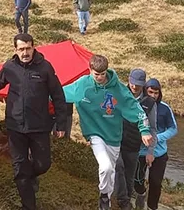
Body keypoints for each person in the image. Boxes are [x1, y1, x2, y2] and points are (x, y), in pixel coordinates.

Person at [0, 33, 68, 210]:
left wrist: (61, 123)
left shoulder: (45, 68)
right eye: (21, 49)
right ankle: (28, 205)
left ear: (34, 47)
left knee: (43, 164)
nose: (25, 52)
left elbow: (58, 95)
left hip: (39, 126)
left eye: (28, 48)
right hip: (15, 126)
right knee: (19, 168)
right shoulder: (9, 67)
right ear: (15, 49)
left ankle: (30, 176)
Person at [63, 55, 154, 210]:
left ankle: (105, 199)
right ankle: (104, 196)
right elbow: (58, 93)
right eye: (96, 74)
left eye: (103, 74)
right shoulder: (82, 84)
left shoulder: (118, 89)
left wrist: (144, 130)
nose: (99, 77)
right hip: (94, 134)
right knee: (105, 167)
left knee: (110, 171)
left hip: (113, 137)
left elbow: (135, 108)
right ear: (90, 70)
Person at [116, 69, 158, 210]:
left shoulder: (150, 103)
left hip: (133, 145)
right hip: (115, 141)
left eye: (138, 84)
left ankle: (126, 202)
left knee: (129, 177)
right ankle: (120, 199)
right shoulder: (119, 94)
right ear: (128, 79)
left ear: (144, 84)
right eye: (132, 83)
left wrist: (150, 151)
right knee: (118, 167)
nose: (134, 86)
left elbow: (153, 128)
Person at [134, 78, 177, 210]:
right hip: (140, 152)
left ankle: (152, 207)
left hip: (159, 153)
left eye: (156, 93)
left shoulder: (165, 108)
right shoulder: (138, 105)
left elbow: (173, 129)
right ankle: (141, 196)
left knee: (156, 183)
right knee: (137, 181)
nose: (153, 96)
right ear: (145, 91)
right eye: (150, 92)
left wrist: (157, 138)